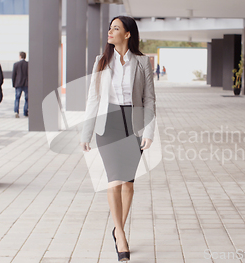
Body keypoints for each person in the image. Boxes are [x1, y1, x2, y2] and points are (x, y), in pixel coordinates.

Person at [80, 16, 156, 262]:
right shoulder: (101, 61)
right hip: (108, 125)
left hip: (133, 125)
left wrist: (149, 131)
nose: (110, 32)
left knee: (129, 184)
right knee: (114, 181)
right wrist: (86, 133)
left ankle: (116, 228)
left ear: (128, 34)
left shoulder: (143, 62)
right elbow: (93, 98)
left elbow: (149, 100)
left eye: (115, 28)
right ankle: (121, 236)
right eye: (109, 28)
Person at [12, 51, 29, 118]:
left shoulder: (16, 64)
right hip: (26, 84)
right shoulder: (28, 64)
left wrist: (14, 84)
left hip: (18, 83)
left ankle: (16, 111)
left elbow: (14, 75)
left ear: (20, 56)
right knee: (27, 98)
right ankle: (25, 111)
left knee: (17, 98)